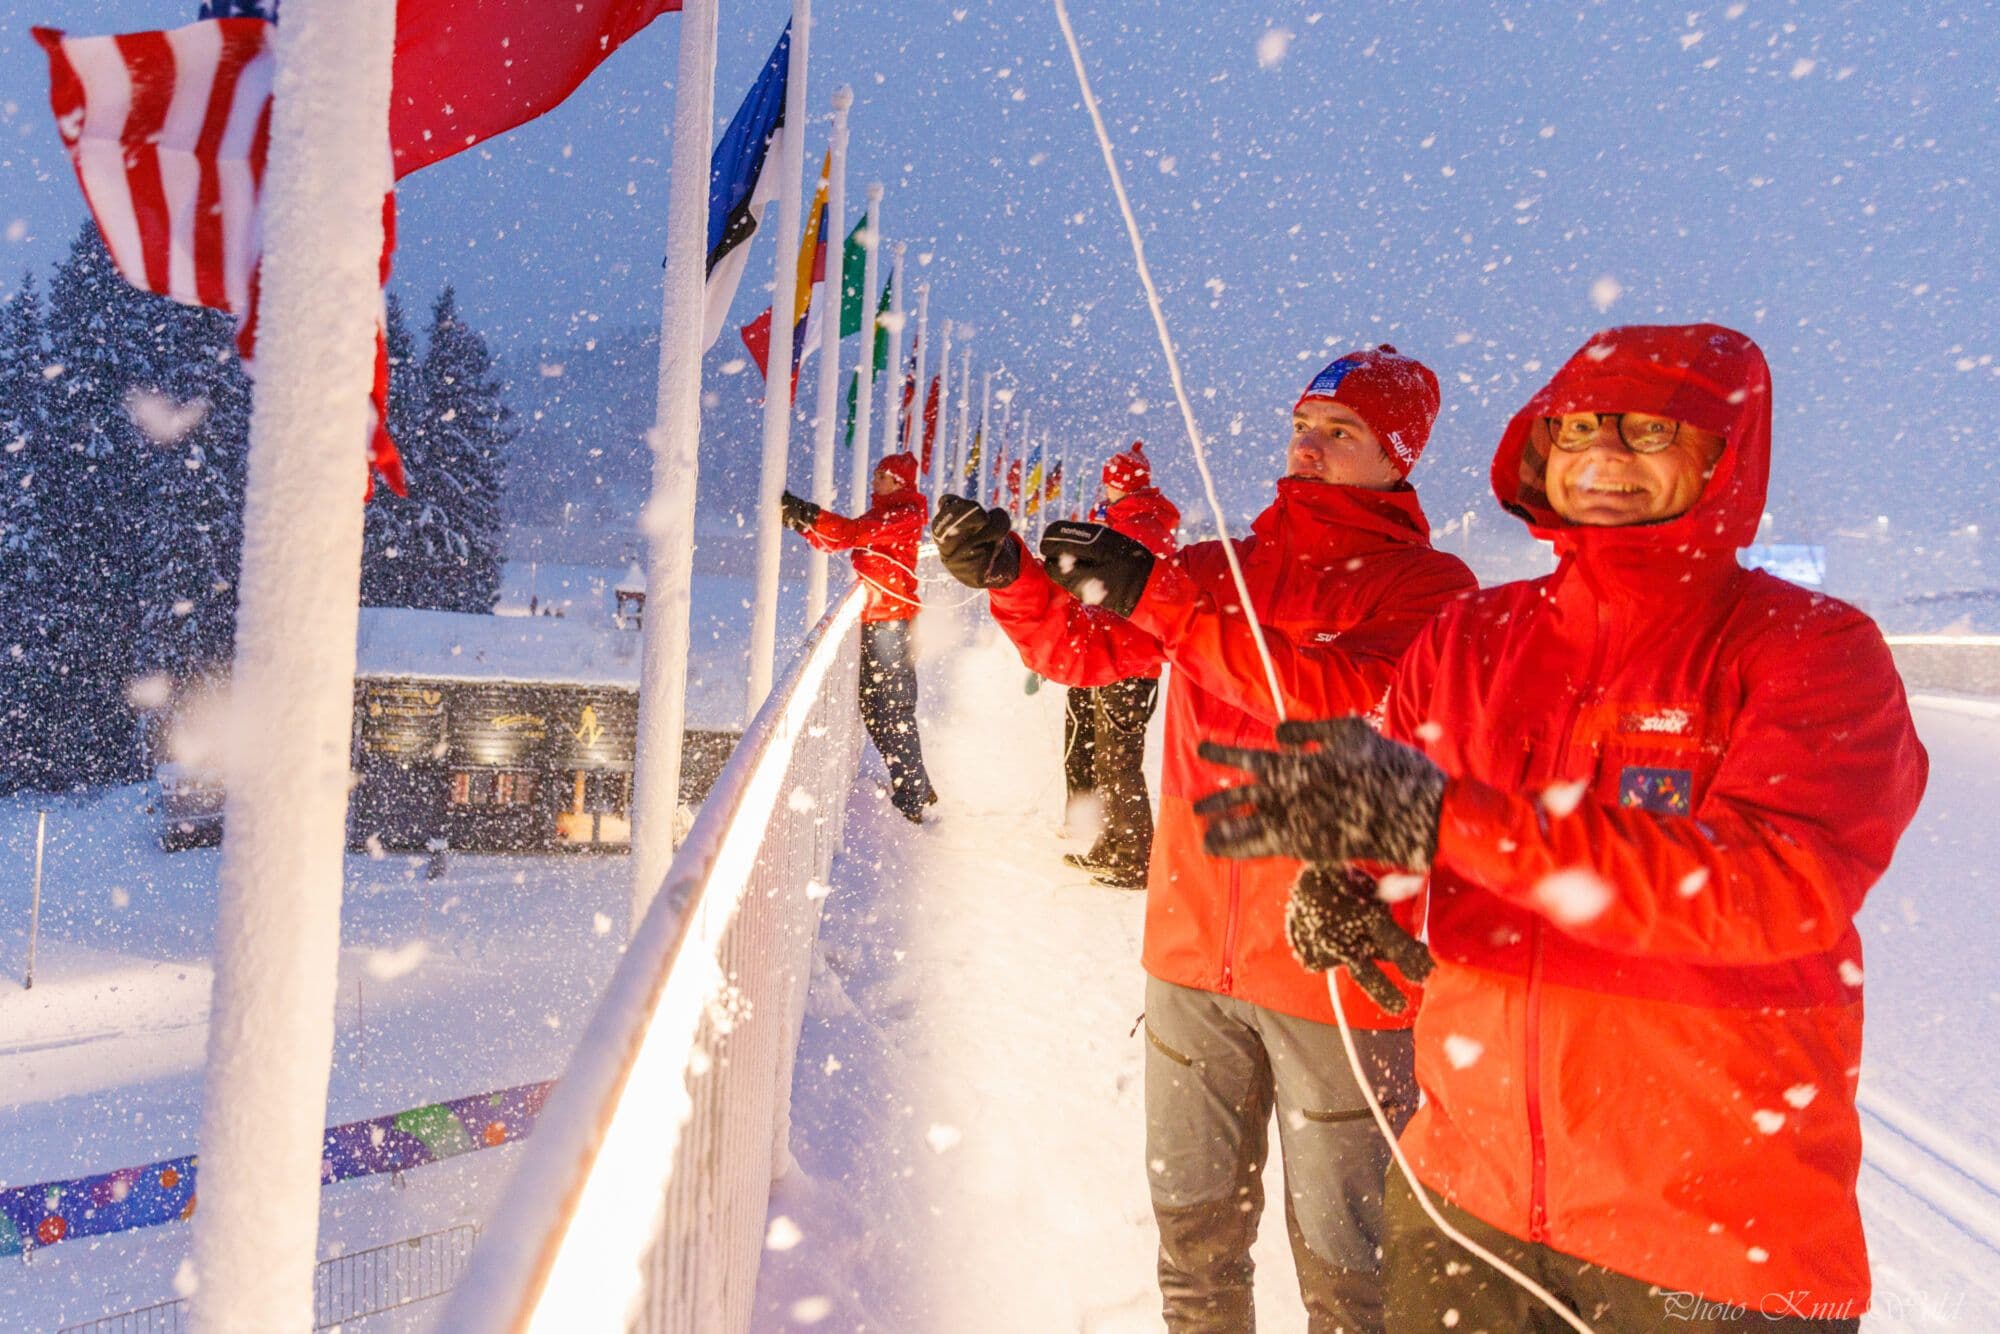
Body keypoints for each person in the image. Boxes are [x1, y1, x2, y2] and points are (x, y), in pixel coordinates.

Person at [1197, 325, 1929, 1332]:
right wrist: (1364, 885)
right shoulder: (1469, 637)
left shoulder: (1810, 649)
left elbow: (1771, 887)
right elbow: (1423, 848)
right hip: (1464, 1193)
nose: (1603, 453)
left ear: (1727, 456)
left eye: (1649, 430)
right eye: (1580, 424)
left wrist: (1446, 818)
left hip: (1711, 1241)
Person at [934, 347, 1475, 1332]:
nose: (1307, 446)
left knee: (1351, 1273)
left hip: (1335, 974)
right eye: (1302, 424)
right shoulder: (1223, 564)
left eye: (1338, 431)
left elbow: (1333, 699)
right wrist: (1009, 576)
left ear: (1398, 453)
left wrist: (1165, 598)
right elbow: (1084, 651)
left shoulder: (1431, 588)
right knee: (1193, 1247)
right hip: (1188, 961)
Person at [782, 453, 937, 823]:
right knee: (878, 707)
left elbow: (850, 535)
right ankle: (916, 784)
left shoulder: (903, 514)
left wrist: (807, 513)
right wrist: (805, 524)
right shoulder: (886, 511)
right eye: (876, 473)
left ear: (899, 482)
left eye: (882, 475)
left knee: (891, 709)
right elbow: (840, 540)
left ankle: (913, 795)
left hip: (890, 624)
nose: (875, 480)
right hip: (882, 620)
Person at [1060, 441, 1181, 888]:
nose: (1104, 488)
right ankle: (1111, 847)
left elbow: (1113, 591)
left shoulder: (1136, 530)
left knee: (1119, 762)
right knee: (1109, 759)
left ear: (1119, 485)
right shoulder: (1136, 524)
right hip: (1116, 656)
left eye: (1108, 481)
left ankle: (1133, 858)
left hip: (1128, 660)